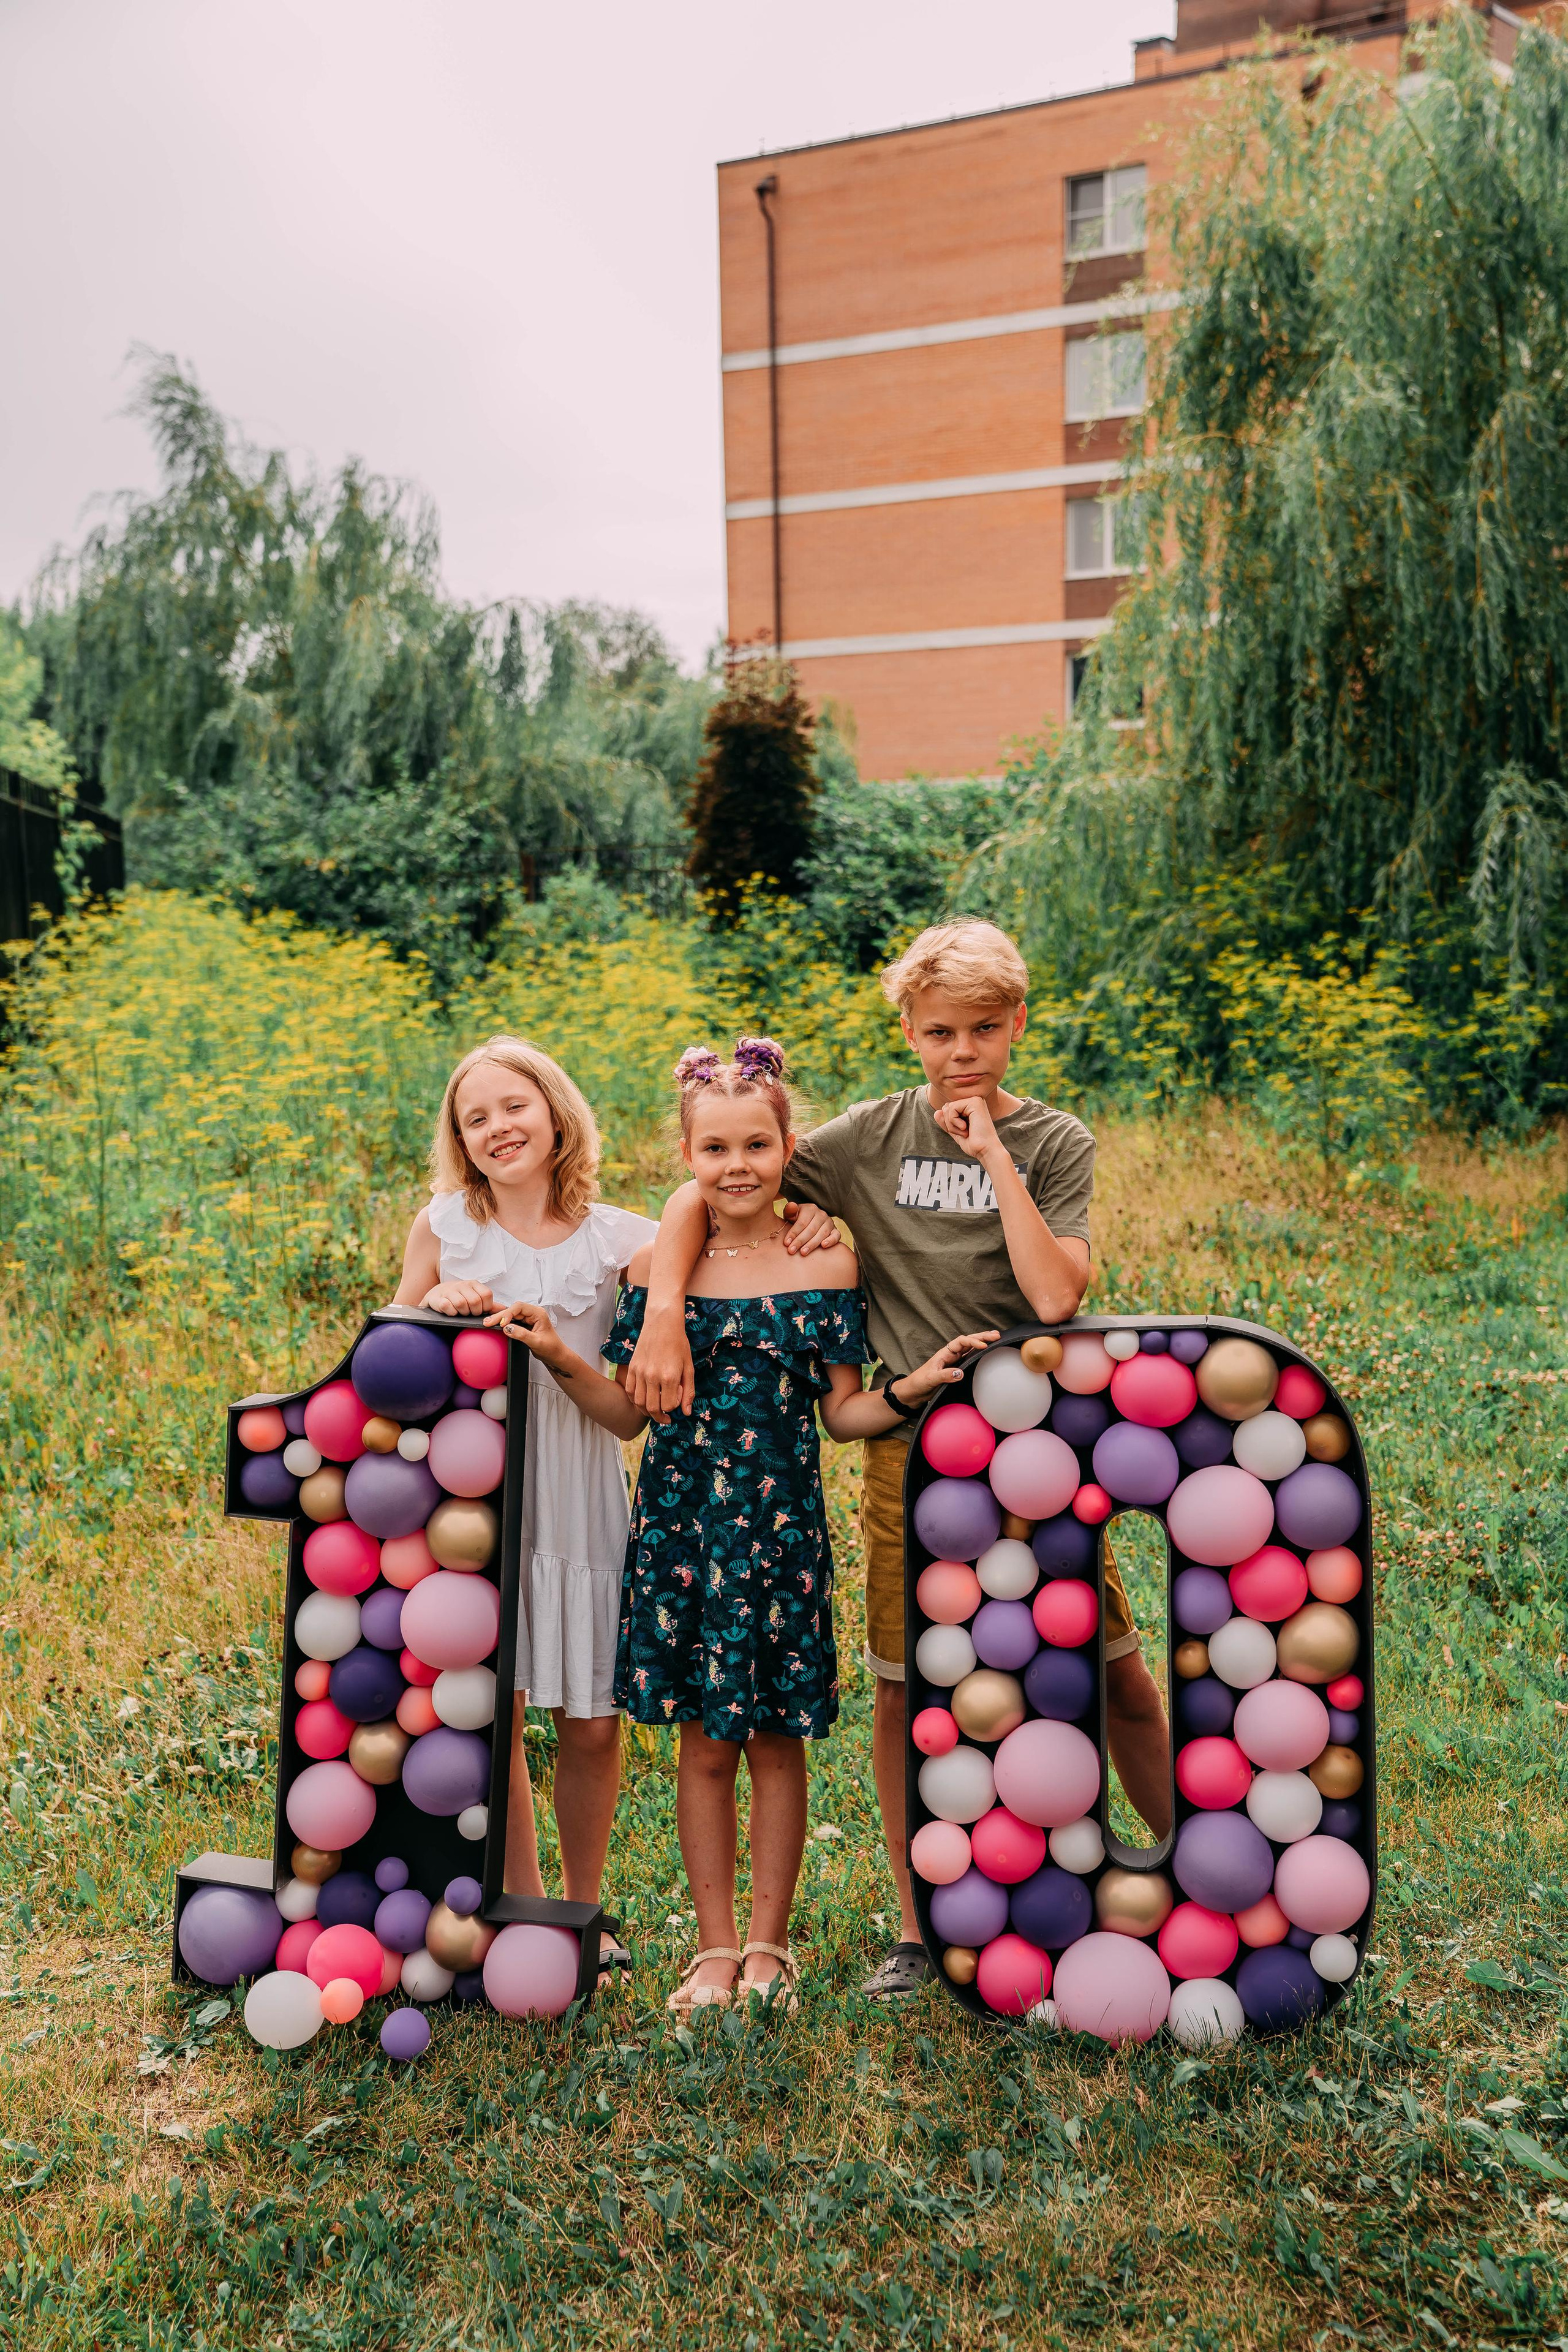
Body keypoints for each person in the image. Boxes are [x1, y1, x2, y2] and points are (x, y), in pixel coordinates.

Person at [625, 920, 1172, 2001]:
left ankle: (1195, 1861)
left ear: (1017, 1025)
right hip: (914, 1452)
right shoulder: (864, 1140)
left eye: (981, 1030)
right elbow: (719, 1177)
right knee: (903, 1687)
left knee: (1112, 1669)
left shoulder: (1056, 1141)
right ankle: (923, 1930)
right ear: (908, 1035)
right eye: (938, 1033)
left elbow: (1056, 1295)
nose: (961, 1051)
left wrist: (994, 1159)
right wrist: (668, 1309)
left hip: (1044, 1444)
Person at [601, 1038, 994, 2015]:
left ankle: (771, 1946)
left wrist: (914, 1387)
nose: (737, 1168)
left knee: (778, 1743)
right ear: (686, 1160)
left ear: (790, 1149)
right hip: (684, 1537)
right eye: (714, 1150)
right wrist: (656, 1312)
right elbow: (629, 1405)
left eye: (758, 1147)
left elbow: (844, 1413)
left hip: (781, 1539)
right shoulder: (658, 1268)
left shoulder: (825, 1259)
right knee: (701, 1743)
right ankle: (713, 1947)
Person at [393, 1035, 655, 1986]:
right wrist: (435, 1311)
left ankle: (584, 1906)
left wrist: (556, 1353)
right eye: (476, 1118)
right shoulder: (444, 1232)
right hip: (473, 1511)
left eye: (515, 1107)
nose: (499, 1128)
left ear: (555, 1114)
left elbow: (630, 1414)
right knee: (488, 1713)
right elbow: (387, 1373)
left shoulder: (627, 1241)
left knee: (590, 1718)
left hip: (582, 1497)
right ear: (461, 1144)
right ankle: (524, 1899)